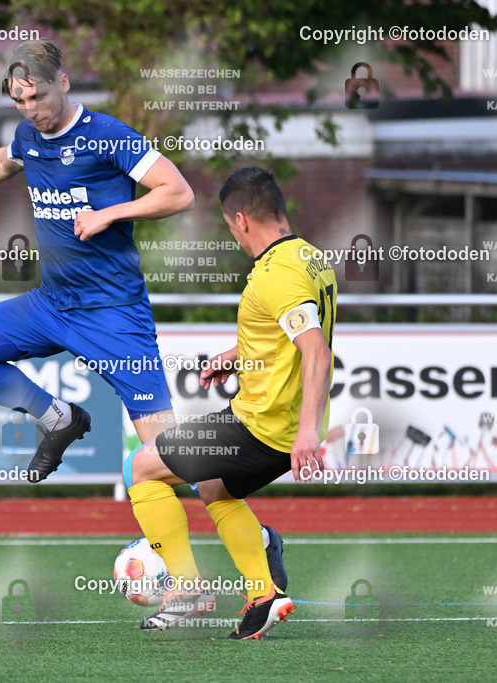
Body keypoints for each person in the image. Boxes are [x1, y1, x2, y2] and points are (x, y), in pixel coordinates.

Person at [0, 39, 195, 481]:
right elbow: (6, 161)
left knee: (169, 460)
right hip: (50, 304)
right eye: (20, 101)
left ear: (63, 83)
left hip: (113, 310)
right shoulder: (28, 136)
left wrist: (109, 214)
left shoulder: (107, 135)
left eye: (38, 97)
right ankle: (58, 418)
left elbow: (179, 192)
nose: (31, 109)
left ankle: (257, 539)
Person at [122, 167, 337, 639]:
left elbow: (316, 350)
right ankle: (264, 591)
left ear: (240, 220)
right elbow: (288, 331)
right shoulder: (309, 257)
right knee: (216, 489)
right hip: (273, 426)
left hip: (260, 427)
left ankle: (187, 589)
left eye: (228, 227)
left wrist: (307, 433)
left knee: (139, 469)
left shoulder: (274, 272)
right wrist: (238, 356)